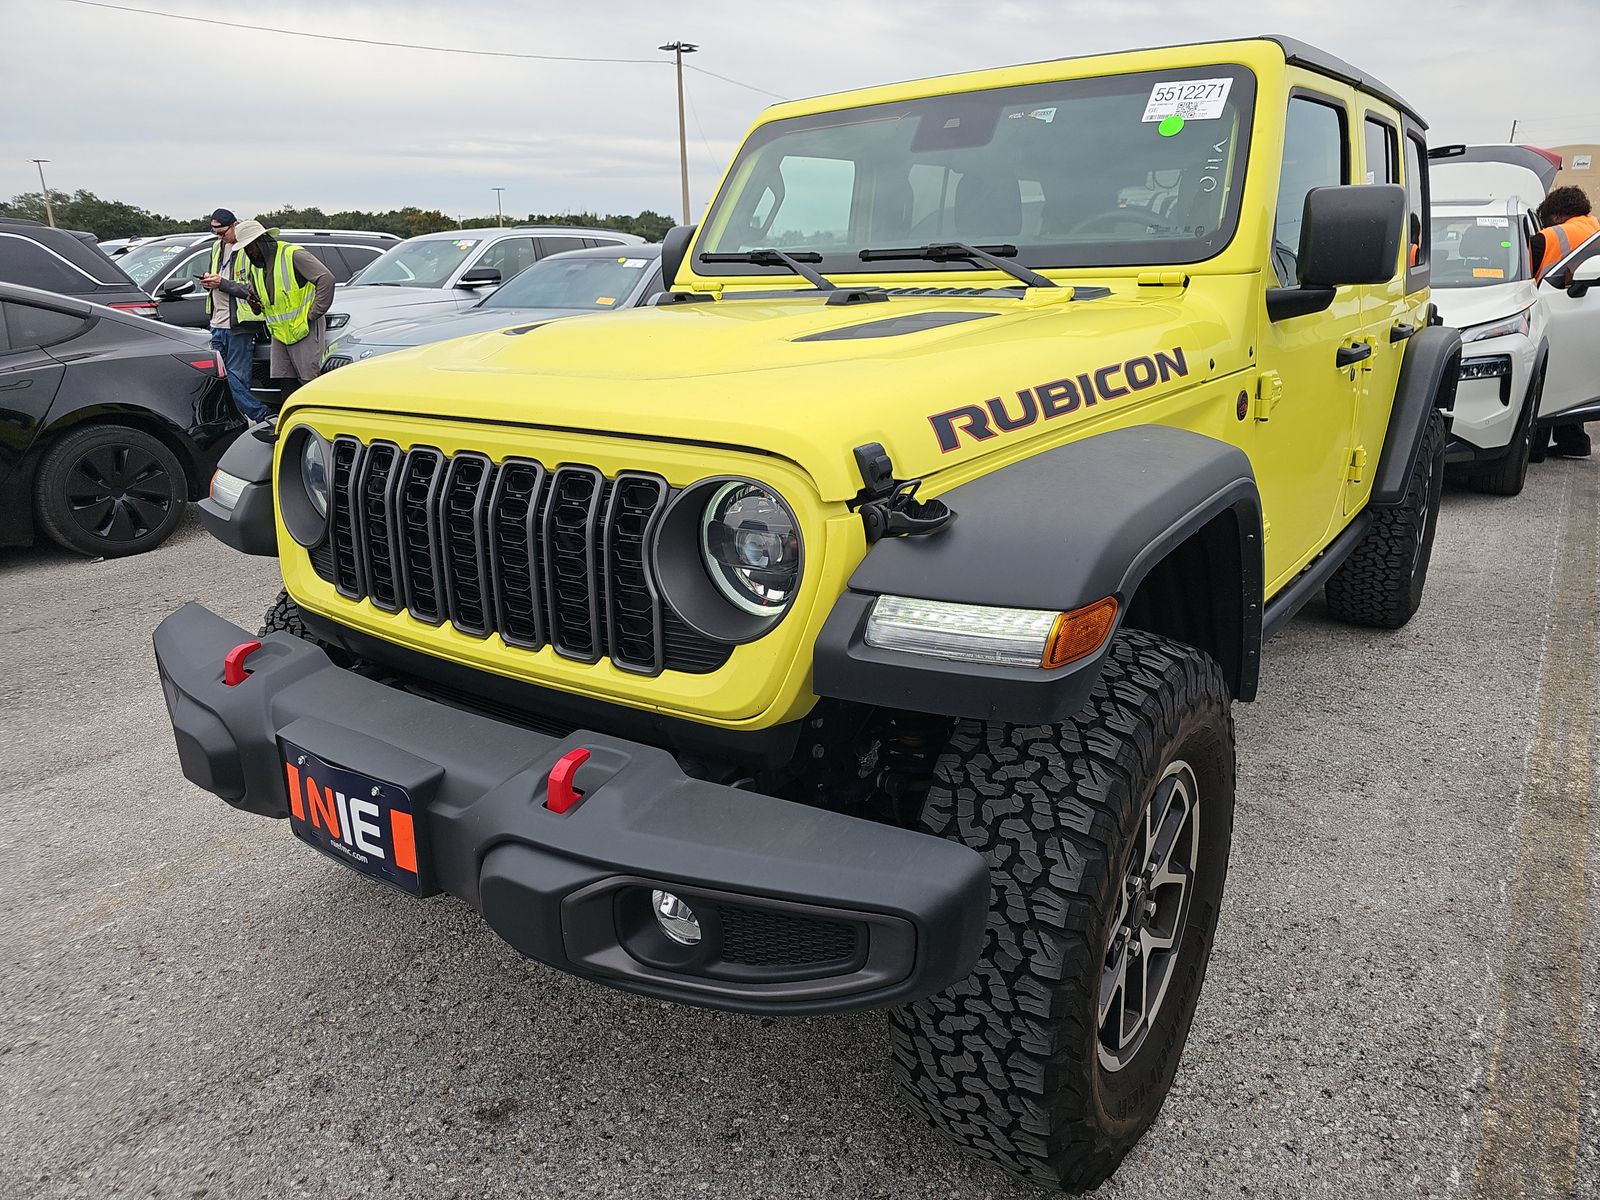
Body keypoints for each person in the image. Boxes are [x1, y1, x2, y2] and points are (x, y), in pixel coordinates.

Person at [214, 219, 335, 401]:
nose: (248, 253)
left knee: (310, 380)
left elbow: (326, 279)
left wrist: (314, 313)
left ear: (261, 241)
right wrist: (255, 305)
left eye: (250, 247)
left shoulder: (291, 254)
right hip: (280, 332)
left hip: (304, 328)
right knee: (285, 380)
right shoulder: (256, 267)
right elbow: (259, 298)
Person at [1529, 186, 1599, 458]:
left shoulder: (1548, 237)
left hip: (1555, 309)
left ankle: (1535, 445)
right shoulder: (1595, 228)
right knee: (1575, 376)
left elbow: (1526, 281)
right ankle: (1574, 440)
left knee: (1546, 375)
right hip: (1589, 311)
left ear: (1556, 216)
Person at [196, 208, 270, 423]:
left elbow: (254, 289)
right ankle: (252, 415)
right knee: (219, 375)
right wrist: (209, 281)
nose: (220, 238)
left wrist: (223, 284)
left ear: (235, 224)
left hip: (240, 323)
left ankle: (258, 415)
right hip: (217, 320)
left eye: (222, 233)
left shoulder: (248, 247)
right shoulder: (216, 247)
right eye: (215, 233)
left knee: (236, 376)